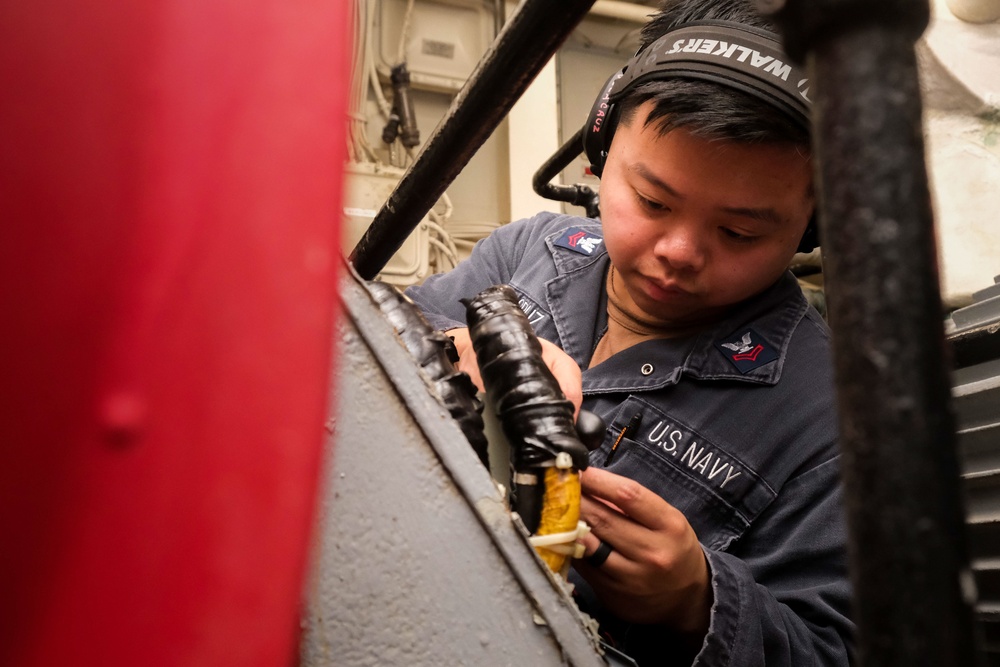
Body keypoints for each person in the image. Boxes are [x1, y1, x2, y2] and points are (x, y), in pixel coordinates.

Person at [404, 0, 854, 664]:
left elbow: (835, 647)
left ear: (812, 223)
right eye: (652, 201)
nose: (678, 250)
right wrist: (441, 351)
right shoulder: (528, 252)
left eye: (739, 232)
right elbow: (369, 352)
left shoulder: (835, 418)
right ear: (602, 150)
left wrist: (697, 601)